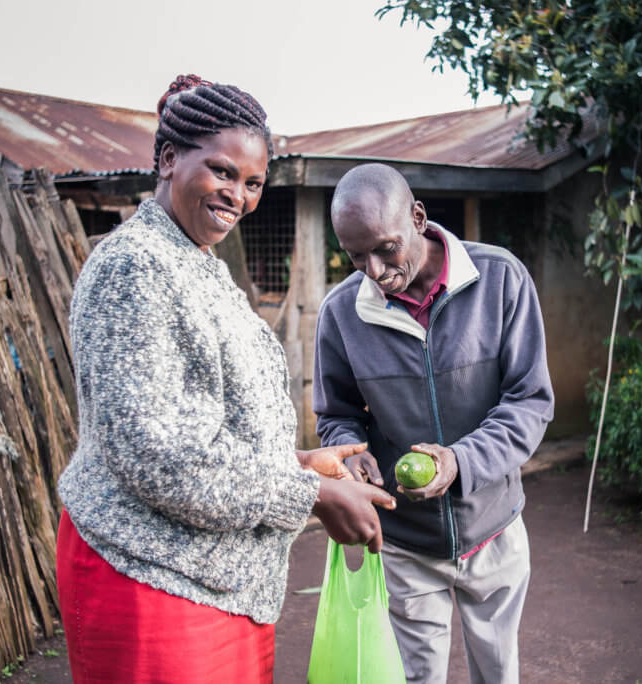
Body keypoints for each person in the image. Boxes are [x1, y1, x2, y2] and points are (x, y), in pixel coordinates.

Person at [55, 76, 395, 684]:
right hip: (152, 576)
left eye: (254, 182)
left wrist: (297, 463)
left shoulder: (196, 263)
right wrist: (308, 495)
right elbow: (155, 454)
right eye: (223, 172)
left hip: (215, 578)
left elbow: (201, 424)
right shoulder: (134, 268)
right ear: (167, 160)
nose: (238, 195)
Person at [313, 163, 555, 683]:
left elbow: (529, 401)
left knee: (498, 673)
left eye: (385, 248)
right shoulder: (340, 313)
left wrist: (461, 460)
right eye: (356, 256)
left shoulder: (499, 279)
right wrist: (352, 452)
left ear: (417, 217)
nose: (374, 271)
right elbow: (336, 415)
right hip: (404, 542)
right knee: (417, 678)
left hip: (494, 526)